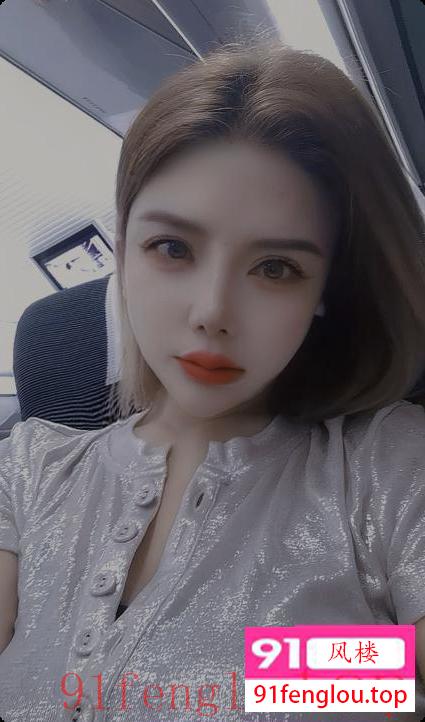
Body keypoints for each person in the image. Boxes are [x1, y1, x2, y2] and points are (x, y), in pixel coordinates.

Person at [1, 36, 425, 722]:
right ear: (123, 250)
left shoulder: (389, 465)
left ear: (325, 289)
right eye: (172, 248)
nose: (212, 312)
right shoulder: (27, 469)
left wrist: (261, 672)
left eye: (275, 268)